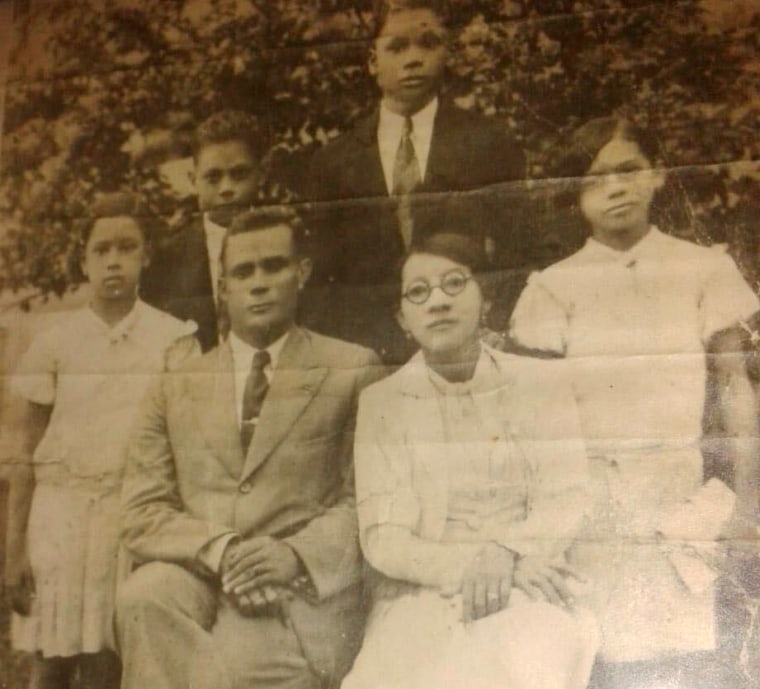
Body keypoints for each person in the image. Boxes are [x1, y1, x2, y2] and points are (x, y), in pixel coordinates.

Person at [509, 117, 760, 687]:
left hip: (681, 489)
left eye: (628, 171)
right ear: (576, 196)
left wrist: (747, 500)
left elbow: (734, 387)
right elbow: (533, 416)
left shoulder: (703, 268)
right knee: (597, 656)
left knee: (684, 656)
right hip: (588, 498)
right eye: (595, 179)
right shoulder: (553, 287)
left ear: (658, 175)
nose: (615, 189)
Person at [117, 205, 383, 689]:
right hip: (200, 571)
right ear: (223, 287)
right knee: (142, 598)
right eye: (243, 272)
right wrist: (224, 551)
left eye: (274, 266)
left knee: (240, 669)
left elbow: (368, 499)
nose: (259, 283)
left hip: (295, 585)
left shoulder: (351, 369)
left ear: (301, 273)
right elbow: (142, 508)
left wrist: (293, 556)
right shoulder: (177, 382)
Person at [343, 232, 598, 689]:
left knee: (526, 658)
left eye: (454, 283)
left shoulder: (541, 382)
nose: (437, 302)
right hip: (422, 594)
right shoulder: (382, 403)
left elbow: (569, 497)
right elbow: (384, 538)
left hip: (528, 579)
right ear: (403, 319)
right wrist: (473, 565)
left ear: (485, 301)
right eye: (418, 293)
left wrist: (507, 554)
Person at [4, 193, 198, 689]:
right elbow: (25, 455)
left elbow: (188, 448)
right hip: (58, 522)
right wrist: (15, 551)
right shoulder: (55, 341)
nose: (113, 261)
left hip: (129, 517)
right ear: (84, 259)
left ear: (146, 256)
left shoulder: (172, 339)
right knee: (49, 660)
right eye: (101, 250)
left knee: (109, 662)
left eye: (127, 248)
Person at [306, 0, 527, 364]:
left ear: (447, 52)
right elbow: (325, 279)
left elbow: (516, 250)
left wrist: (496, 327)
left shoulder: (489, 143)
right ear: (373, 61)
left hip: (471, 344)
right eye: (396, 47)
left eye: (428, 43)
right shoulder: (333, 162)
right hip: (368, 351)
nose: (413, 58)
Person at [141, 109, 266, 352]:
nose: (227, 188)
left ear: (261, 175)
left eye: (239, 174)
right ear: (193, 179)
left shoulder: (294, 243)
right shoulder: (165, 260)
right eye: (213, 177)